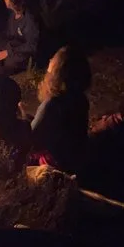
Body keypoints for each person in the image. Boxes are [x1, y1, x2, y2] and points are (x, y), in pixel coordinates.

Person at [31, 46, 91, 174]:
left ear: (59, 70)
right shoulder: (80, 99)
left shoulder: (51, 105)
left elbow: (31, 141)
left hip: (56, 167)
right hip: (76, 161)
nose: (50, 60)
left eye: (54, 58)